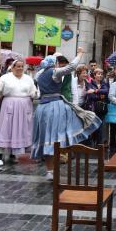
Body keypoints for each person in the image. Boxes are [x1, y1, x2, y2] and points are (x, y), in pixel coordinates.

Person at [32, 49, 101, 179]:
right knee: (58, 136)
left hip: (42, 108)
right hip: (54, 107)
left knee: (47, 138)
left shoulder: (39, 74)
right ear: (55, 63)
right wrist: (80, 54)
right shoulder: (54, 72)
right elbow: (72, 67)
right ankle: (55, 166)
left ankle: (50, 170)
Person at [0, 60, 38, 166]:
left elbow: (33, 91)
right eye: (18, 66)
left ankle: (13, 154)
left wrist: (35, 94)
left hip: (24, 107)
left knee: (19, 130)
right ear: (12, 67)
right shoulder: (5, 78)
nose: (20, 68)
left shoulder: (28, 78)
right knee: (6, 129)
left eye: (22, 66)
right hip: (9, 105)